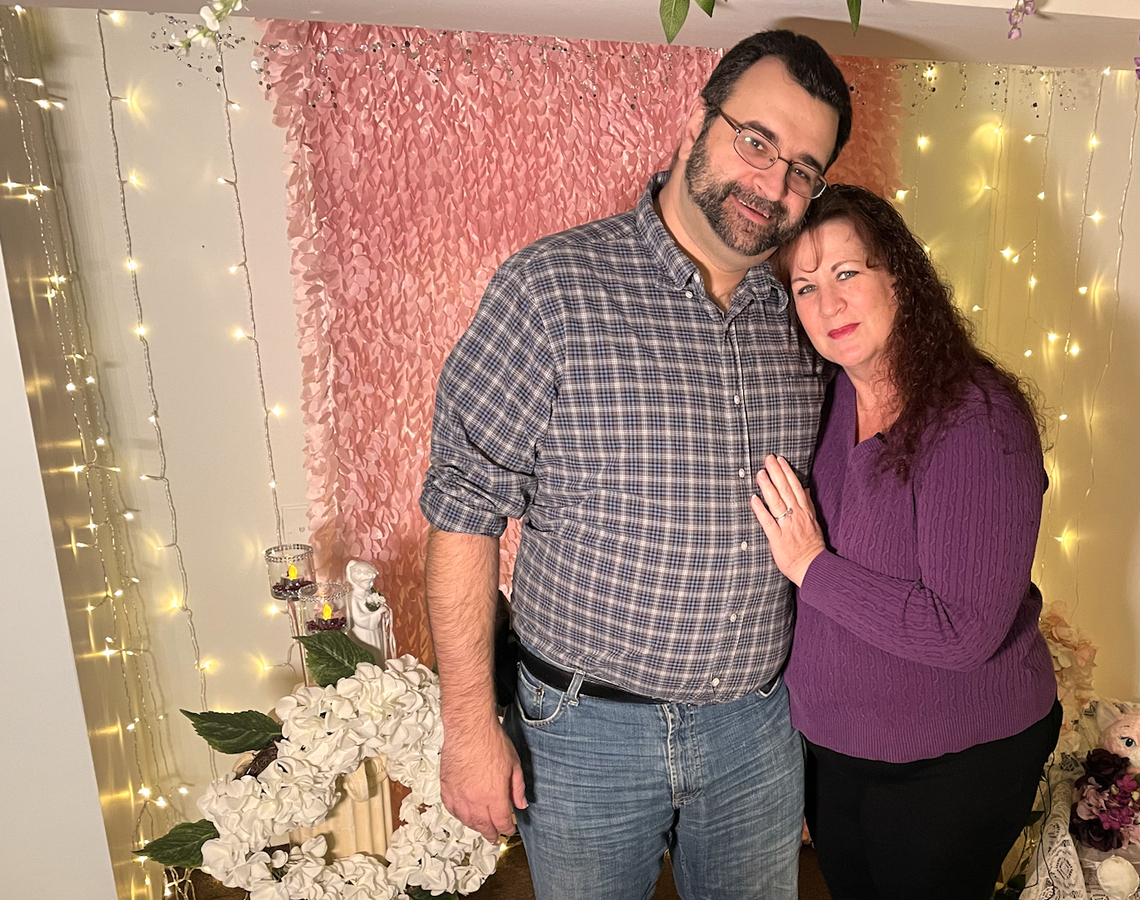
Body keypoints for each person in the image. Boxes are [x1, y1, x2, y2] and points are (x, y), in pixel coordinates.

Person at [419, 31, 852, 900]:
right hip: (583, 732)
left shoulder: (806, 315)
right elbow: (463, 509)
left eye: (803, 169)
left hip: (757, 730)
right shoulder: (551, 289)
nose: (773, 185)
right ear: (697, 123)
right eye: (756, 141)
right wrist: (467, 729)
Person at [755, 185, 1062, 900]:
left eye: (847, 273)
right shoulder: (831, 396)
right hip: (837, 750)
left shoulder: (976, 419)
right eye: (805, 287)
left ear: (899, 276)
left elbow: (963, 630)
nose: (828, 305)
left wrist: (810, 567)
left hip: (953, 762)